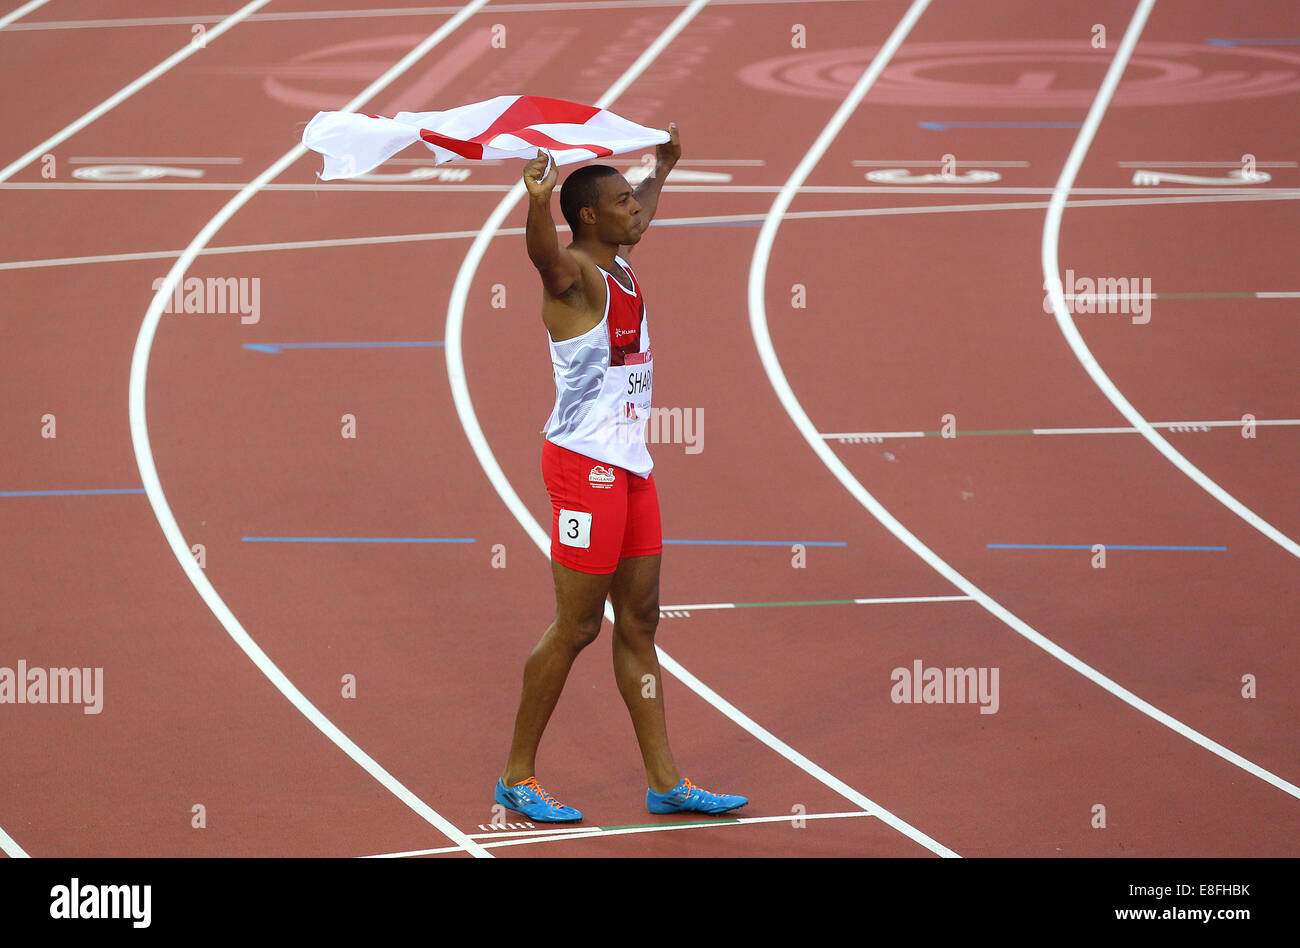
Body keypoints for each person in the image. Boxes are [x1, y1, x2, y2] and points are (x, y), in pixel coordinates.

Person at [493, 125, 747, 822]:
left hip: (631, 465)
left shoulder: (620, 261)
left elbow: (641, 215)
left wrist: (660, 170)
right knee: (577, 627)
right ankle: (517, 776)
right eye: (623, 201)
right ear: (588, 219)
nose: (636, 207)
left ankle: (665, 783)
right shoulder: (572, 274)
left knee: (639, 620)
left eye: (636, 198)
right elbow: (542, 256)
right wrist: (536, 204)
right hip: (584, 468)